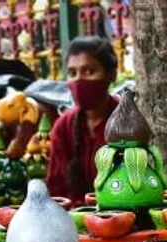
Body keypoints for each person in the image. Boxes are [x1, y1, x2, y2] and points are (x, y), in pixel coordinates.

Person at [46, 37, 119, 203]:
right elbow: (57, 191)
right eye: (72, 73)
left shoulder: (127, 124)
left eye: (89, 71)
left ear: (112, 75)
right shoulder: (63, 127)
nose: (79, 80)